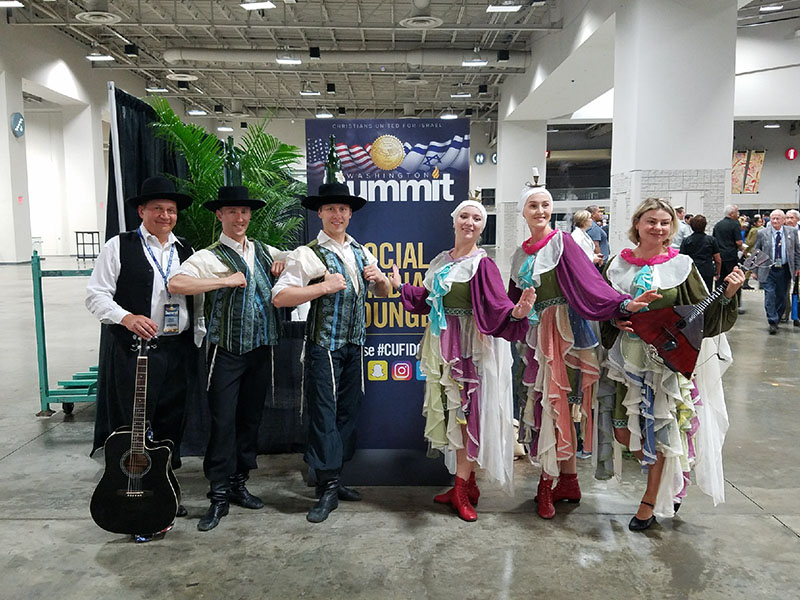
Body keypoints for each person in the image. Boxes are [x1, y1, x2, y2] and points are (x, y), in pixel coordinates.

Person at [508, 186, 658, 520]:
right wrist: (507, 319)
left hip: (567, 333)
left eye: (546, 205)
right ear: (523, 211)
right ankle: (568, 482)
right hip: (535, 336)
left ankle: (549, 484)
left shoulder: (563, 243)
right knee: (546, 407)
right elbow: (511, 299)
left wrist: (621, 304)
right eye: (533, 205)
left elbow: (591, 282)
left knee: (559, 407)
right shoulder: (520, 253)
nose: (540, 211)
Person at [597, 197, 743, 531]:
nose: (658, 228)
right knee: (624, 432)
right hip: (625, 361)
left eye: (664, 223)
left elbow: (701, 316)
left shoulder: (682, 266)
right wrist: (618, 319)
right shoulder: (617, 264)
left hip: (665, 365)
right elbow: (604, 307)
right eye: (651, 221)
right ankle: (669, 480)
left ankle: (650, 500)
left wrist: (728, 294)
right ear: (637, 224)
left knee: (659, 435)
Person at [388, 200, 535, 522]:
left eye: (477, 218)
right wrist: (400, 287)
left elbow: (498, 305)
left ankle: (461, 488)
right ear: (454, 222)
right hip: (442, 344)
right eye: (465, 216)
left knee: (467, 416)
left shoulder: (483, 265)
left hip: (470, 350)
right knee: (452, 414)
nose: (469, 222)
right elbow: (428, 301)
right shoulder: (442, 261)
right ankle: (465, 486)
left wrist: (517, 313)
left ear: (482, 227)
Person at [86, 175, 200, 541]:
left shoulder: (187, 252)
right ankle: (130, 497)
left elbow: (194, 304)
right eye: (157, 209)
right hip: (134, 351)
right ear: (142, 211)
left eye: (171, 210)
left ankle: (164, 490)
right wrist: (127, 317)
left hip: (175, 350)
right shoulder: (119, 246)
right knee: (132, 426)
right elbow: (95, 296)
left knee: (169, 425)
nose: (165, 215)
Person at [272, 176, 391, 524]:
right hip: (323, 345)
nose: (337, 214)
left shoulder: (360, 251)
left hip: (355, 344)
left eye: (343, 209)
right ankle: (326, 487)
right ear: (320, 213)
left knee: (348, 412)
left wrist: (382, 280)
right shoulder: (308, 254)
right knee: (324, 414)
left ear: (350, 214)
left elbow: (384, 292)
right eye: (331, 209)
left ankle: (335, 479)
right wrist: (322, 287)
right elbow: (280, 296)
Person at [169, 185, 286, 531]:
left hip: (261, 347)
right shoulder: (209, 256)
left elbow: (300, 261)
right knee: (223, 422)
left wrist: (286, 261)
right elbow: (177, 283)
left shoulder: (265, 250)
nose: (240, 218)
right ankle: (218, 493)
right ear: (219, 215)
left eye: (245, 212)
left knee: (250, 419)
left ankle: (239, 483)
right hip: (226, 350)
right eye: (232, 212)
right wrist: (221, 282)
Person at [752, 209, 800, 334]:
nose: (775, 221)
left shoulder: (793, 232)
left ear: (783, 220)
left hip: (785, 270)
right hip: (768, 269)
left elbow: (796, 252)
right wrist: (754, 270)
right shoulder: (762, 233)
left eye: (778, 218)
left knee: (782, 296)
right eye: (773, 218)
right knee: (770, 295)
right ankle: (772, 320)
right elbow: (757, 252)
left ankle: (777, 317)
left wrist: (797, 267)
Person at [712, 205, 744, 313]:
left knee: (720, 280)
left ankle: (717, 302)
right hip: (731, 256)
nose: (738, 214)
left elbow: (714, 240)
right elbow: (738, 242)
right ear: (731, 214)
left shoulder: (718, 225)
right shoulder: (735, 224)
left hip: (720, 256)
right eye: (737, 212)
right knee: (735, 279)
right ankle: (736, 304)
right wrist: (743, 248)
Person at [679, 214, 721, 292]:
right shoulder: (711, 240)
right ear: (705, 226)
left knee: (692, 293)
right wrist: (718, 272)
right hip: (707, 270)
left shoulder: (686, 241)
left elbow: (682, 258)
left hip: (692, 271)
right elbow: (717, 259)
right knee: (706, 293)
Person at [742, 214, 763, 290]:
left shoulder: (752, 229)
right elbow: (751, 242)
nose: (761, 223)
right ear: (755, 223)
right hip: (752, 251)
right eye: (760, 222)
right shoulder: (755, 230)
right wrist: (746, 250)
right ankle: (745, 282)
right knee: (750, 268)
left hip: (750, 251)